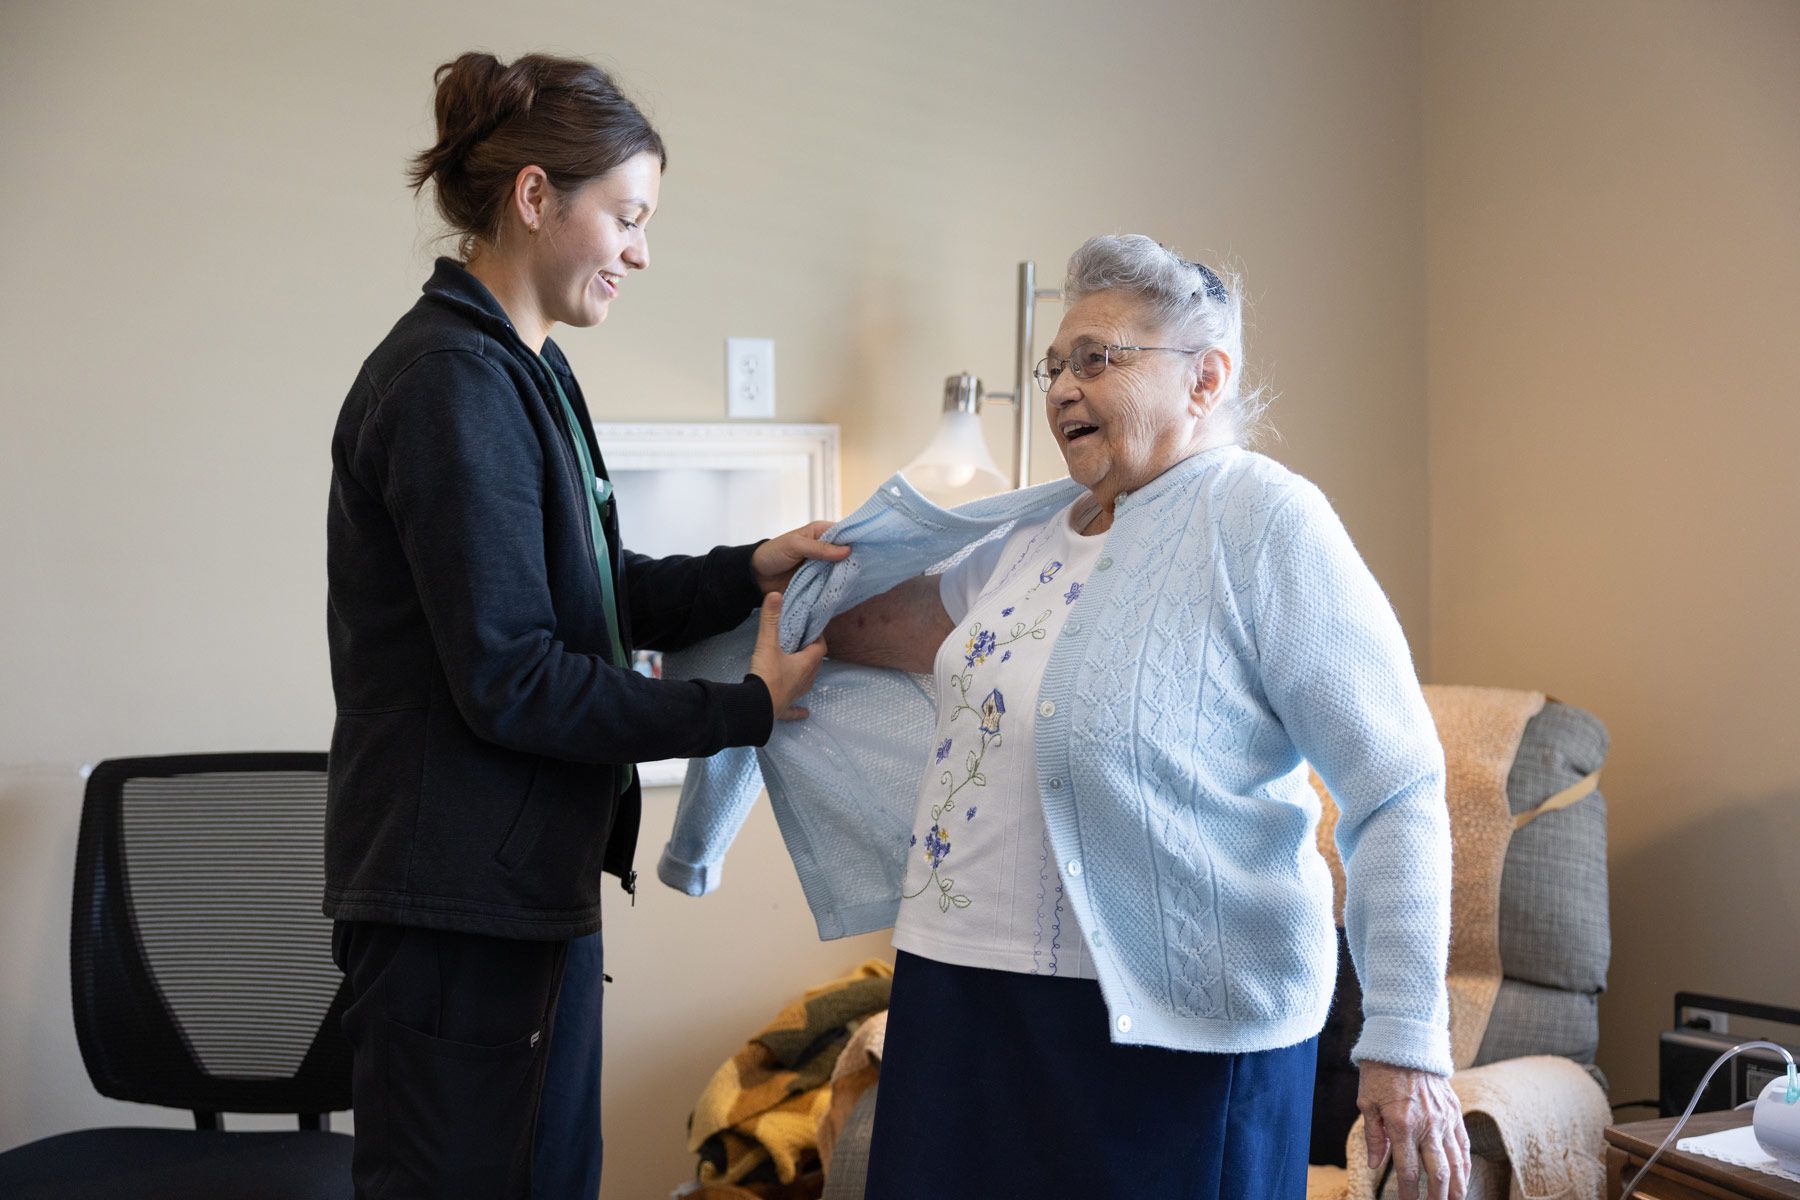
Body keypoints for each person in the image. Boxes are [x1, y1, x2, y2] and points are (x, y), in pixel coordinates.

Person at [813, 235, 1472, 1200]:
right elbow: (857, 628)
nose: (1062, 390)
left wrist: (1407, 1041)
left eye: (1098, 359)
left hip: (1179, 1029)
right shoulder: (1029, 537)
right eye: (1054, 366)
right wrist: (738, 608)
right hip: (962, 997)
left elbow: (1398, 786)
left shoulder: (1266, 522)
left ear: (1206, 378)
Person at [322, 51, 842, 1200]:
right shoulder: (453, 382)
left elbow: (596, 593)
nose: (641, 251)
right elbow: (514, 675)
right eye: (627, 216)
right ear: (535, 197)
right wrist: (743, 709)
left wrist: (754, 564)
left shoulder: (523, 372)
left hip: (512, 903)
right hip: (456, 915)